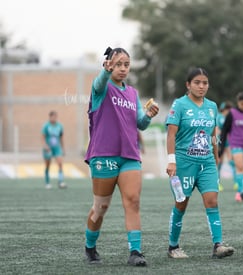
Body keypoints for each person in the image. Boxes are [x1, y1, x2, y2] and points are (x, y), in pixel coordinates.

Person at [83, 47, 159, 266]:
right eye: (118, 64)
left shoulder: (132, 93)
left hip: (129, 156)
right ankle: (90, 247)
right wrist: (105, 72)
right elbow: (98, 83)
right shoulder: (101, 87)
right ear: (109, 65)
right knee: (101, 207)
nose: (123, 68)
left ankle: (135, 251)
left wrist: (149, 116)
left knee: (133, 201)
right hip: (103, 155)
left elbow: (140, 125)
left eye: (126, 64)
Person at [165, 67, 234, 259]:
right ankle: (173, 247)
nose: (201, 86)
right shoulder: (179, 105)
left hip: (207, 163)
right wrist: (171, 162)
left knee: (212, 201)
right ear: (188, 85)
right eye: (197, 82)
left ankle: (218, 245)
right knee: (181, 204)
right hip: (184, 163)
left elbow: (213, 135)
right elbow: (171, 135)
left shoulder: (212, 107)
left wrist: (216, 157)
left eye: (205, 83)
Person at [41, 110, 66, 189]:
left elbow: (61, 137)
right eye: (53, 116)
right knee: (48, 165)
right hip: (48, 148)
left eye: (56, 116)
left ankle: (61, 181)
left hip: (57, 148)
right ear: (50, 117)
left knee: (60, 163)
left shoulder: (60, 126)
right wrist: (45, 146)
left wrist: (63, 148)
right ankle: (47, 182)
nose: (54, 118)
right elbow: (42, 137)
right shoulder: (46, 126)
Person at [216, 101, 236, 191]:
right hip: (220, 142)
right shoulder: (219, 117)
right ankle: (217, 183)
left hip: (229, 142)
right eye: (227, 109)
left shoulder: (231, 117)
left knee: (232, 161)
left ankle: (237, 182)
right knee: (219, 162)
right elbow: (217, 129)